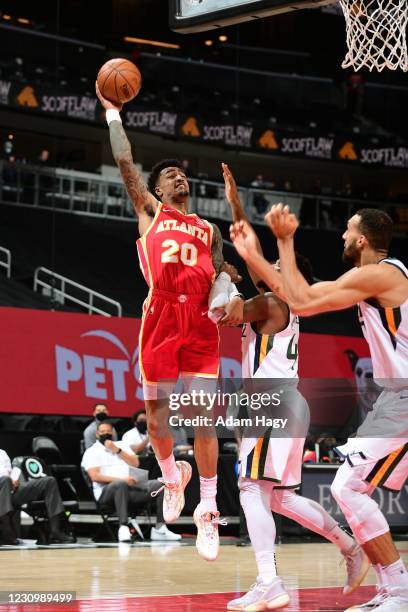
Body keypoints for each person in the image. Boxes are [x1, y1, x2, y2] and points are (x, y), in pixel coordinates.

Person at [230, 205, 408, 611]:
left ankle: (399, 591)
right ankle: (392, 588)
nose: (341, 237)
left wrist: (283, 241)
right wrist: (256, 254)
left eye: (347, 231)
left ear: (363, 239)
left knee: (347, 486)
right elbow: (296, 295)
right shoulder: (371, 278)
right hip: (393, 396)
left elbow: (304, 301)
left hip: (403, 395)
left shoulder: (382, 273)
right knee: (347, 487)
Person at [95, 82, 244, 561]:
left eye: (183, 175)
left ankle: (205, 509)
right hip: (160, 314)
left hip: (199, 322)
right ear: (158, 189)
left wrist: (227, 287)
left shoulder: (207, 228)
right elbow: (124, 162)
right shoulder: (149, 210)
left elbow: (220, 272)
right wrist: (113, 115)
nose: (180, 179)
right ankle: (169, 473)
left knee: (204, 421)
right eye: (172, 176)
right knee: (158, 420)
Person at [221, 166, 368, 610]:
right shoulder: (281, 302)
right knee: (280, 497)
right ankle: (350, 547)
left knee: (251, 488)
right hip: (287, 400)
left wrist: (221, 275)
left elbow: (227, 313)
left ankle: (270, 581)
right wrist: (236, 205)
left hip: (272, 401)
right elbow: (252, 251)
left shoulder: (270, 302)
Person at [81, 422, 180, 542]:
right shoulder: (92, 451)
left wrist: (117, 450)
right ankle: (123, 527)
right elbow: (95, 476)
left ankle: (160, 528)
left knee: (162, 485)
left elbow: (135, 463)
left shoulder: (122, 445)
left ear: (113, 433)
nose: (106, 434)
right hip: (106, 493)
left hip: (131, 489)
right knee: (120, 485)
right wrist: (122, 480)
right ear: (97, 434)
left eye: (109, 431)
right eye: (102, 432)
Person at [0, 448, 74, 545]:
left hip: (11, 490)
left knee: (49, 481)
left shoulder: (2, 453)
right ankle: (6, 531)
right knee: (5, 480)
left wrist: (14, 480)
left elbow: (10, 473)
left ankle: (55, 531)